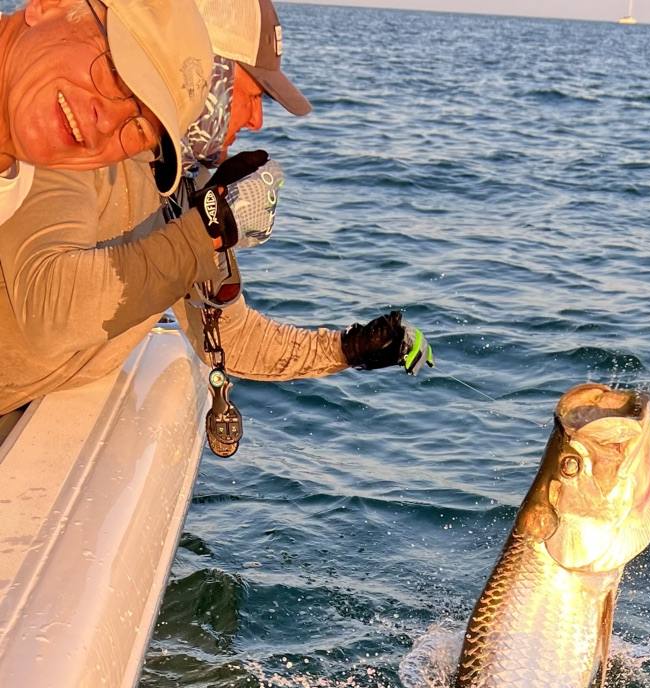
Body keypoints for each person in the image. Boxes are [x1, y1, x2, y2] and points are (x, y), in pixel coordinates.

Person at [0, 0, 432, 426]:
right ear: (208, 73)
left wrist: (349, 348)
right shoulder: (76, 140)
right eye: (253, 94)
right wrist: (199, 235)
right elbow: (50, 307)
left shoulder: (181, 186)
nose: (258, 118)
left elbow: (229, 337)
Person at [0, 0, 212, 223]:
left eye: (140, 129)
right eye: (115, 71)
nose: (107, 124)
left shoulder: (11, 193)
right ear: (49, 5)